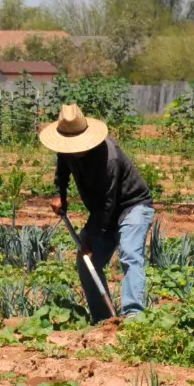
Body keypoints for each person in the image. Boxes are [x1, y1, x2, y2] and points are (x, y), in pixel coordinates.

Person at [38, 103, 155, 323]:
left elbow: (108, 203)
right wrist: (59, 193)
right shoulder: (66, 148)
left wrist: (92, 237)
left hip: (132, 205)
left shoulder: (108, 156)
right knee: (85, 261)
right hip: (103, 210)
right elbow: (62, 169)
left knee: (130, 254)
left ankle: (133, 317)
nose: (72, 149)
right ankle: (105, 321)